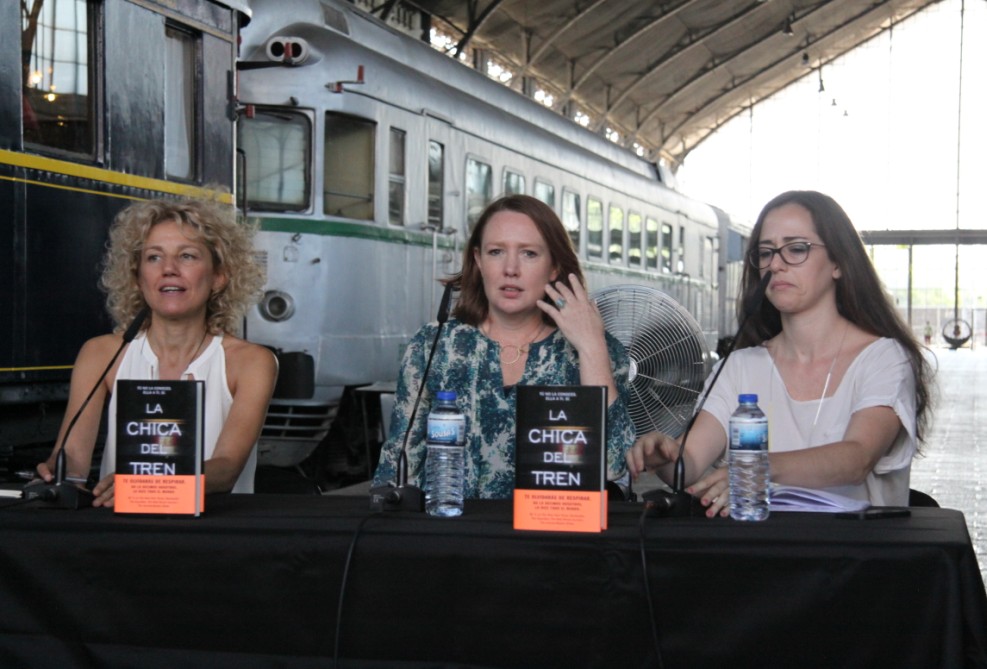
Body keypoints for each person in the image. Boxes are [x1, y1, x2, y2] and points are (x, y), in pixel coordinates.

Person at [627, 190, 933, 515]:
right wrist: (663, 455)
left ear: (839, 263)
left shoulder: (884, 358)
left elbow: (857, 458)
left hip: (855, 547)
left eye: (796, 248)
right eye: (765, 253)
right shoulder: (741, 367)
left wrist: (757, 468)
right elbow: (687, 464)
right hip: (760, 545)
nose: (775, 264)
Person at [373, 194, 635, 498]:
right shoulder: (433, 345)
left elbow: (614, 469)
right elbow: (396, 469)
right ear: (479, 260)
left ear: (554, 267)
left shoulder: (599, 350)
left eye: (529, 254)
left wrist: (591, 348)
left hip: (554, 526)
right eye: (496, 252)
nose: (511, 269)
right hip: (450, 525)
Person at [34, 197, 278, 506]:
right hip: (122, 530)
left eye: (187, 256)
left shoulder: (252, 363)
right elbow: (72, 460)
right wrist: (55, 472)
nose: (169, 269)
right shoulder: (99, 354)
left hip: (215, 532)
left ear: (219, 276)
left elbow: (227, 468)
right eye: (153, 257)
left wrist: (147, 484)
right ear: (138, 277)